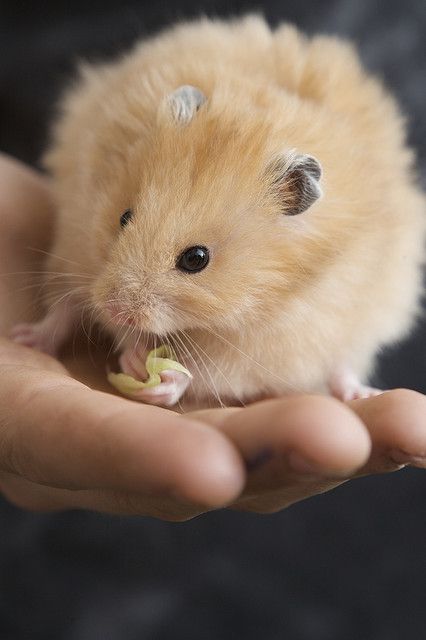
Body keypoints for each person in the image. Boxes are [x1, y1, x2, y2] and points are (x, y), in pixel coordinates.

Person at [0, 152, 425, 520]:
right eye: (128, 222)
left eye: (195, 259)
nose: (123, 302)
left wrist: (188, 375)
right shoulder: (138, 169)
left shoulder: (325, 280)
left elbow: (299, 345)